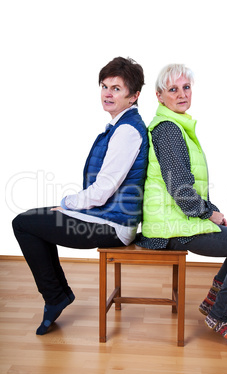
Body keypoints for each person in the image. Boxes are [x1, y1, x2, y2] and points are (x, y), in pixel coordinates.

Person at [12, 57, 148, 335]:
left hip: (112, 225)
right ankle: (57, 295)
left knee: (24, 223)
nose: (107, 94)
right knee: (33, 221)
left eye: (117, 89)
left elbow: (102, 191)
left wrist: (66, 204)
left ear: (134, 96)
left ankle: (56, 297)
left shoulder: (126, 132)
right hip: (105, 217)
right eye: (104, 86)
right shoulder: (121, 126)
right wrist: (69, 207)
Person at [136, 63, 227, 348]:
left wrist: (212, 211)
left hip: (181, 218)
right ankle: (220, 315)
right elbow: (181, 190)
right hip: (171, 228)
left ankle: (212, 303)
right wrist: (209, 213)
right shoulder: (168, 129)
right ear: (159, 95)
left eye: (186, 87)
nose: (182, 94)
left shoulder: (177, 125)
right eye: (173, 89)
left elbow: (187, 185)